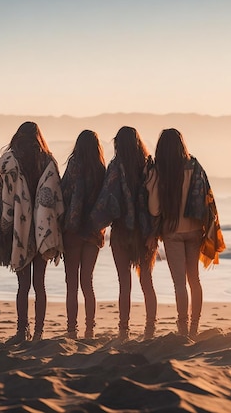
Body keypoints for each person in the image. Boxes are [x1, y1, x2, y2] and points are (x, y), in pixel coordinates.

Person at [147, 128, 225, 339]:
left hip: (172, 231)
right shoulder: (195, 166)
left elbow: (154, 209)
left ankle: (182, 329)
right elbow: (206, 199)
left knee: (179, 283)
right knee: (194, 280)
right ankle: (194, 328)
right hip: (194, 230)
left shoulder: (159, 171)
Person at [0, 121, 64, 343]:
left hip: (19, 231)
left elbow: (2, 200)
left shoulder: (10, 162)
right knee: (39, 284)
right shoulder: (48, 161)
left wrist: (1, 229)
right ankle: (39, 333)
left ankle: (22, 331)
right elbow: (58, 199)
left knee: (23, 285)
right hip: (43, 231)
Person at [91, 126, 159, 341]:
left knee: (124, 283)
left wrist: (95, 224)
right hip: (145, 232)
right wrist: (154, 233)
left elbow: (107, 200)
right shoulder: (149, 167)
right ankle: (150, 329)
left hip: (121, 232)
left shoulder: (115, 167)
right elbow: (157, 202)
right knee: (147, 281)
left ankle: (124, 330)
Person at [61, 130, 106, 339]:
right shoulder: (101, 169)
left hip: (72, 231)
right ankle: (89, 328)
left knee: (72, 283)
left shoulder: (73, 166)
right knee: (87, 281)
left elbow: (64, 195)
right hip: (93, 231)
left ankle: (72, 330)